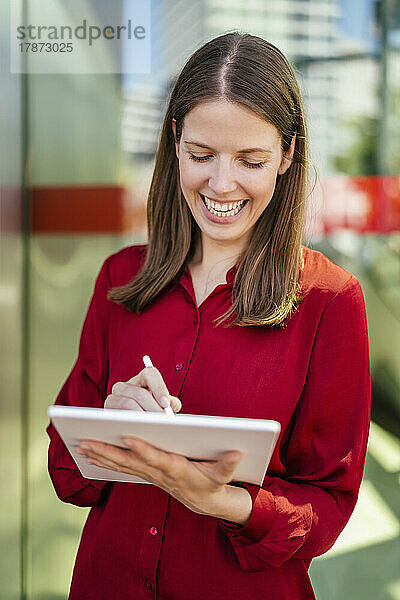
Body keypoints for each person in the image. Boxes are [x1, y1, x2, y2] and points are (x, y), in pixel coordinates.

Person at [46, 32, 371, 600]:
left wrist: (223, 501)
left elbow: (330, 504)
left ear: (288, 155)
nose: (221, 185)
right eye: (201, 156)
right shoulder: (119, 280)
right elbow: (64, 470)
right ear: (175, 143)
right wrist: (108, 418)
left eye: (251, 160)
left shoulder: (330, 300)